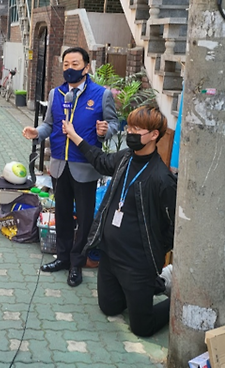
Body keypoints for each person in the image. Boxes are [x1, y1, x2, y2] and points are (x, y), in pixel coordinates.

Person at [62, 105, 176, 337]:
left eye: (137, 129)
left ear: (154, 135)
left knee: (142, 329)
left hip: (137, 264)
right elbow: (101, 161)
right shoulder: (125, 158)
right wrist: (74, 136)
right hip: (111, 257)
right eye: (130, 127)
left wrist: (155, 253)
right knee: (109, 307)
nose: (131, 133)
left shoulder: (161, 179)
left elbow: (172, 227)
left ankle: (176, 299)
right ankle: (143, 291)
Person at [22, 46, 118, 287]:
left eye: (75, 64)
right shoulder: (56, 93)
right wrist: (36, 132)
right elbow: (49, 125)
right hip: (58, 165)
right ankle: (62, 257)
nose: (70, 69)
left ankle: (77, 263)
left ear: (86, 67)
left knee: (84, 219)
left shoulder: (101, 94)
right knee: (62, 214)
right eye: (66, 64)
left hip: (85, 165)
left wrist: (106, 130)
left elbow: (115, 124)